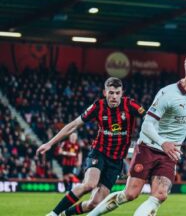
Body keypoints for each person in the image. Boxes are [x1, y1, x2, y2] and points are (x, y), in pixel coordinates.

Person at [87, 53, 186, 216]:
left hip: (170, 153)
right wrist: (163, 142)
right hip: (148, 147)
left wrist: (172, 144)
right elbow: (146, 125)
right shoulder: (167, 94)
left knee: (160, 195)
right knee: (131, 194)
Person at [36, 77, 145, 216]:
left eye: (117, 93)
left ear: (122, 93)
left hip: (116, 161)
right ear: (105, 92)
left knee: (95, 203)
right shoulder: (98, 107)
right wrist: (50, 143)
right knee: (89, 184)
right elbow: (74, 125)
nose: (114, 97)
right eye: (111, 93)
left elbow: (150, 118)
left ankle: (65, 214)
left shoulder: (130, 105)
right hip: (99, 152)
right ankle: (53, 214)